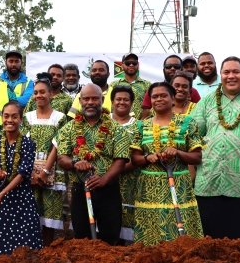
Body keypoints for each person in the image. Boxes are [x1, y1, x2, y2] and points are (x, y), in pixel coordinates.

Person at [190, 56, 240, 241]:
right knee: (213, 244)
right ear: (221, 75)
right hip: (211, 183)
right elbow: (193, 136)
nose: (231, 76)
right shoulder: (207, 101)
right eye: (226, 72)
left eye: (236, 71)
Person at [130, 82, 204, 244]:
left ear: (172, 98)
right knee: (150, 236)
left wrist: (178, 152)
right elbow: (134, 159)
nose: (158, 99)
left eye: (163, 95)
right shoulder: (141, 125)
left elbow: (197, 157)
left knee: (183, 235)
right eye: (154, 97)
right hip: (149, 187)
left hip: (180, 184)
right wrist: (147, 157)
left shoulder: (187, 123)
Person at [57, 84, 130, 245]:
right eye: (86, 98)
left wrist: (104, 180)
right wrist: (75, 162)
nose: (90, 102)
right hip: (79, 191)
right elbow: (62, 158)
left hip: (108, 191)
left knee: (110, 238)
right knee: (82, 239)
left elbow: (121, 160)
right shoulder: (68, 129)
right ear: (80, 100)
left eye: (95, 98)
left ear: (102, 100)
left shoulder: (117, 129)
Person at [0, 101, 43, 258]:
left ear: (21, 120)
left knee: (27, 249)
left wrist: (1, 194)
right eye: (6, 116)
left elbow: (23, 174)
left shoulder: (28, 144)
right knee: (1, 250)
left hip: (22, 200)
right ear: (1, 118)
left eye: (14, 117)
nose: (9, 120)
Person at [23, 74, 68, 246]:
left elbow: (58, 145)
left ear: (50, 94)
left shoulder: (60, 117)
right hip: (30, 174)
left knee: (50, 216)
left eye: (42, 92)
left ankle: (47, 251)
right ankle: (31, 251)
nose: (38, 96)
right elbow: (24, 145)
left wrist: (45, 172)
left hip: (51, 172)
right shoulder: (27, 117)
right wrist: (31, 174)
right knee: (31, 214)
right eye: (35, 93)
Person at [109, 85, 142, 242]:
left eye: (126, 99)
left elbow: (139, 153)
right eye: (118, 99)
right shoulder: (102, 122)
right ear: (112, 101)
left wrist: (118, 169)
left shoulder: (139, 126)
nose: (121, 102)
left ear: (132, 103)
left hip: (130, 181)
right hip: (103, 180)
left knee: (127, 229)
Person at [141, 55, 201, 119]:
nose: (172, 68)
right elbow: (145, 118)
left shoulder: (193, 92)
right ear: (164, 70)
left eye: (176, 66)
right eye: (168, 66)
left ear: (182, 69)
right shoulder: (154, 91)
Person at [110, 53, 152, 119]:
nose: (131, 65)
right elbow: (111, 106)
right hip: (119, 125)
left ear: (138, 65)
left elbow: (150, 106)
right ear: (122, 66)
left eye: (134, 63)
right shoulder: (113, 85)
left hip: (142, 125)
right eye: (127, 63)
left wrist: (142, 122)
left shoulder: (147, 85)